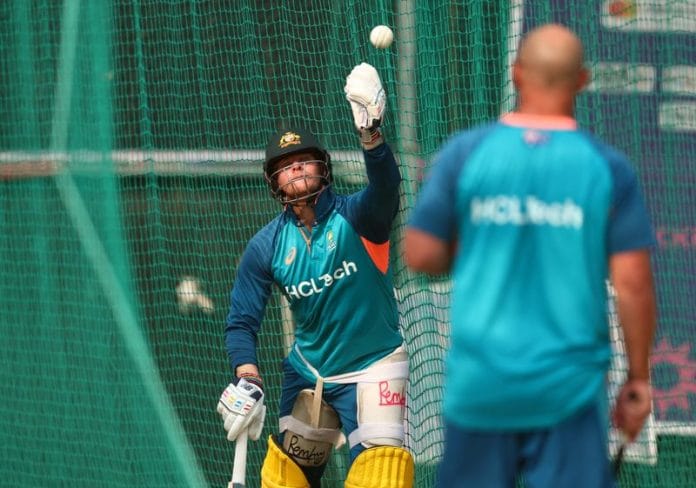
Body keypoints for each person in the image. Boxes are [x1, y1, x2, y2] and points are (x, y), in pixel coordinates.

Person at [404, 24, 656, 488]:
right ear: (582, 80)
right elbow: (633, 283)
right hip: (570, 390)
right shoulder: (608, 167)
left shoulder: (466, 153)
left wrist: (483, 239)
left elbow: (419, 254)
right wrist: (638, 378)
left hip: (481, 384)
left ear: (517, 73)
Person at [217, 62, 414, 488]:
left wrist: (371, 136)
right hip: (311, 373)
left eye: (304, 161)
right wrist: (247, 378)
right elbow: (242, 322)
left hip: (375, 367)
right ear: (274, 181)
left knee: (382, 478)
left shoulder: (359, 217)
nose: (296, 169)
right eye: (285, 166)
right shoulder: (265, 247)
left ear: (322, 168)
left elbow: (386, 188)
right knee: (284, 480)